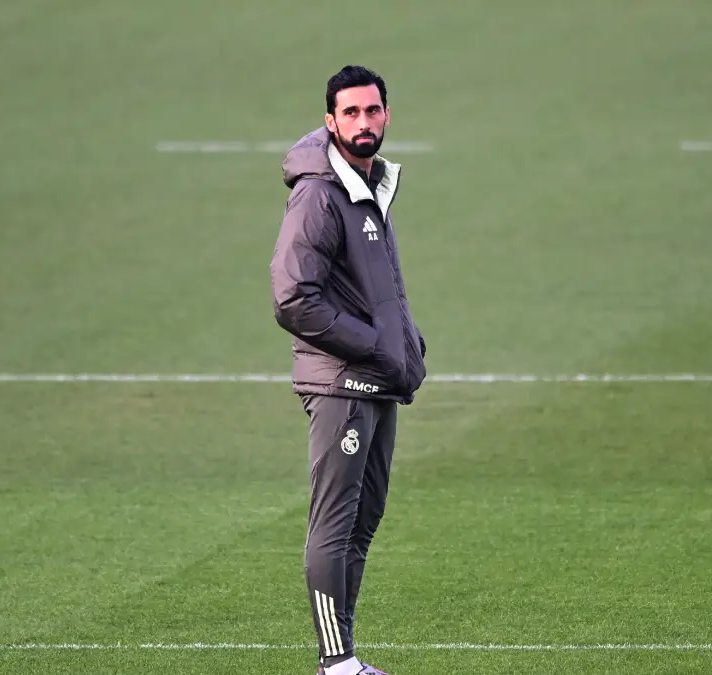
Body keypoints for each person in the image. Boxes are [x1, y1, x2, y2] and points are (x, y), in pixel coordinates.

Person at [269, 65, 428, 675]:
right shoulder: (318, 193)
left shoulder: (368, 183)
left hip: (379, 376)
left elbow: (375, 289)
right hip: (341, 381)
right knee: (335, 523)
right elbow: (293, 298)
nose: (364, 123)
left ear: (386, 115)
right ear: (331, 120)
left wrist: (405, 345)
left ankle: (346, 660)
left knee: (364, 520)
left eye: (373, 111)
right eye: (352, 113)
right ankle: (335, 662)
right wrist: (373, 346)